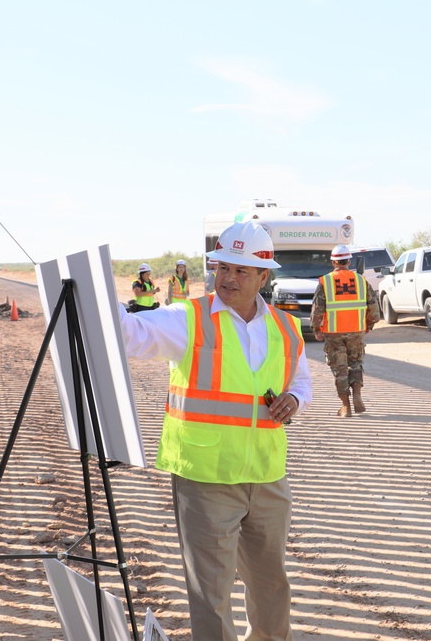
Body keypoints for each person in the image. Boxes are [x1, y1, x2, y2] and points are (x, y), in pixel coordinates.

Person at [118, 221, 312, 641]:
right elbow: (133, 334)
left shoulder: (285, 327)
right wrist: (99, 303)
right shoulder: (187, 319)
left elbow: (301, 380)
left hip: (266, 476)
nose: (228, 278)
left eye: (241, 271)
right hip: (205, 477)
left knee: (271, 583)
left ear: (264, 276)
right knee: (211, 591)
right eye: (223, 267)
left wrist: (294, 400)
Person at [309, 244, 381, 417]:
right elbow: (374, 310)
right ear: (349, 261)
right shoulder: (361, 280)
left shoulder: (325, 281)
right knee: (355, 363)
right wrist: (368, 325)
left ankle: (345, 406)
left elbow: (317, 309)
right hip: (356, 330)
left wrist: (316, 329)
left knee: (340, 368)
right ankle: (357, 394)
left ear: (333, 262)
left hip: (333, 333)